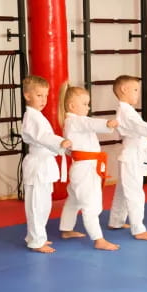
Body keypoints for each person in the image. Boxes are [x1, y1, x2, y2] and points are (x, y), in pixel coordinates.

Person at [58, 86, 120, 251]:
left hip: (82, 167)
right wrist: (106, 123)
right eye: (85, 104)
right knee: (91, 204)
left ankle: (66, 228)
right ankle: (98, 239)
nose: (88, 107)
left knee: (74, 200)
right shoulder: (76, 121)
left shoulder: (71, 122)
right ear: (72, 106)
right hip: (85, 169)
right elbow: (90, 122)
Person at [108, 75, 147, 241]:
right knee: (135, 192)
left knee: (122, 190)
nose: (137, 94)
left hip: (132, 154)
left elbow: (136, 128)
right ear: (124, 90)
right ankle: (138, 229)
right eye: (135, 90)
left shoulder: (127, 110)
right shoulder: (126, 111)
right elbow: (138, 126)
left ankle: (116, 220)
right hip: (131, 156)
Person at [21, 75, 71, 253]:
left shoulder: (38, 116)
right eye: (39, 95)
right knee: (36, 205)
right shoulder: (32, 117)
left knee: (43, 205)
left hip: (44, 165)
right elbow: (43, 137)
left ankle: (36, 235)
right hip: (37, 166)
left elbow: (44, 139)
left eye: (45, 95)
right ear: (27, 96)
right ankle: (36, 240)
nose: (43, 100)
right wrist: (60, 143)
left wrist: (61, 146)